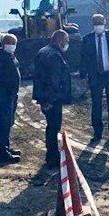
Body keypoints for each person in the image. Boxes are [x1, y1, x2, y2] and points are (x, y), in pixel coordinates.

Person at [79, 14, 109, 141]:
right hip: (96, 76)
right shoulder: (87, 39)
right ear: (92, 25)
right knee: (96, 105)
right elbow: (83, 59)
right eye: (96, 23)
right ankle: (97, 133)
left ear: (105, 23)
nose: (98, 26)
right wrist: (83, 76)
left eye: (100, 23)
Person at [33, 30, 72, 168]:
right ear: (60, 40)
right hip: (52, 98)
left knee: (51, 127)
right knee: (53, 127)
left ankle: (51, 155)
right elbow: (53, 80)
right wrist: (50, 100)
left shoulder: (43, 51)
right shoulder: (55, 56)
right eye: (67, 41)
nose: (68, 44)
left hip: (44, 96)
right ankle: (53, 158)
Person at [0, 34, 21, 165]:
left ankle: (6, 148)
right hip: (3, 95)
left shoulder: (10, 56)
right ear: (3, 44)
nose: (12, 45)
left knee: (8, 123)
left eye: (13, 43)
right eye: (9, 43)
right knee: (3, 124)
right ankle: (2, 153)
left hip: (11, 95)